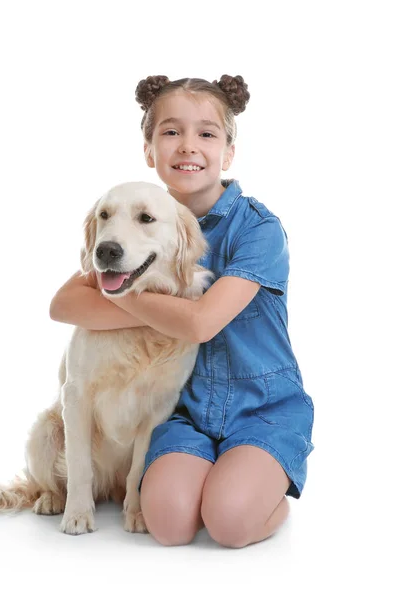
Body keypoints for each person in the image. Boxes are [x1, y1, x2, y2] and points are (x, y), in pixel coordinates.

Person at [49, 74, 314, 548]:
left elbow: (200, 322)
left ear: (228, 153)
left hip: (260, 409)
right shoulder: (135, 217)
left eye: (207, 133)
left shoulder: (259, 230)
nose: (188, 145)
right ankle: (218, 476)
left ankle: (265, 495)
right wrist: (128, 287)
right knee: (169, 526)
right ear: (149, 151)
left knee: (229, 523)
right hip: (184, 413)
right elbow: (65, 304)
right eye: (171, 132)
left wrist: (117, 297)